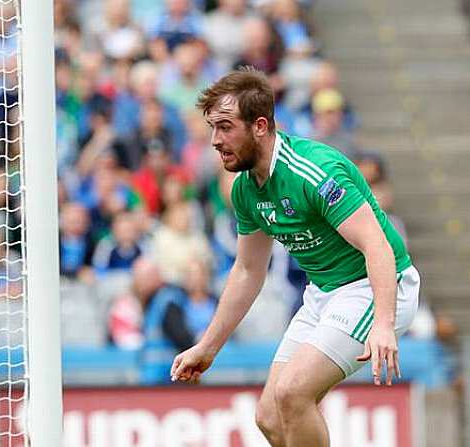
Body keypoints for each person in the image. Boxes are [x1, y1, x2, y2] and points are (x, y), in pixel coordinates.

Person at [170, 69, 420, 447]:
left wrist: (383, 324)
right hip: (324, 293)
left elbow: (378, 245)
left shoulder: (314, 172)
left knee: (292, 392)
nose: (215, 141)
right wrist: (208, 346)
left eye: (224, 127)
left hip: (376, 286)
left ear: (259, 126)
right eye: (212, 128)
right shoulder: (244, 190)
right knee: (269, 417)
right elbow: (248, 271)